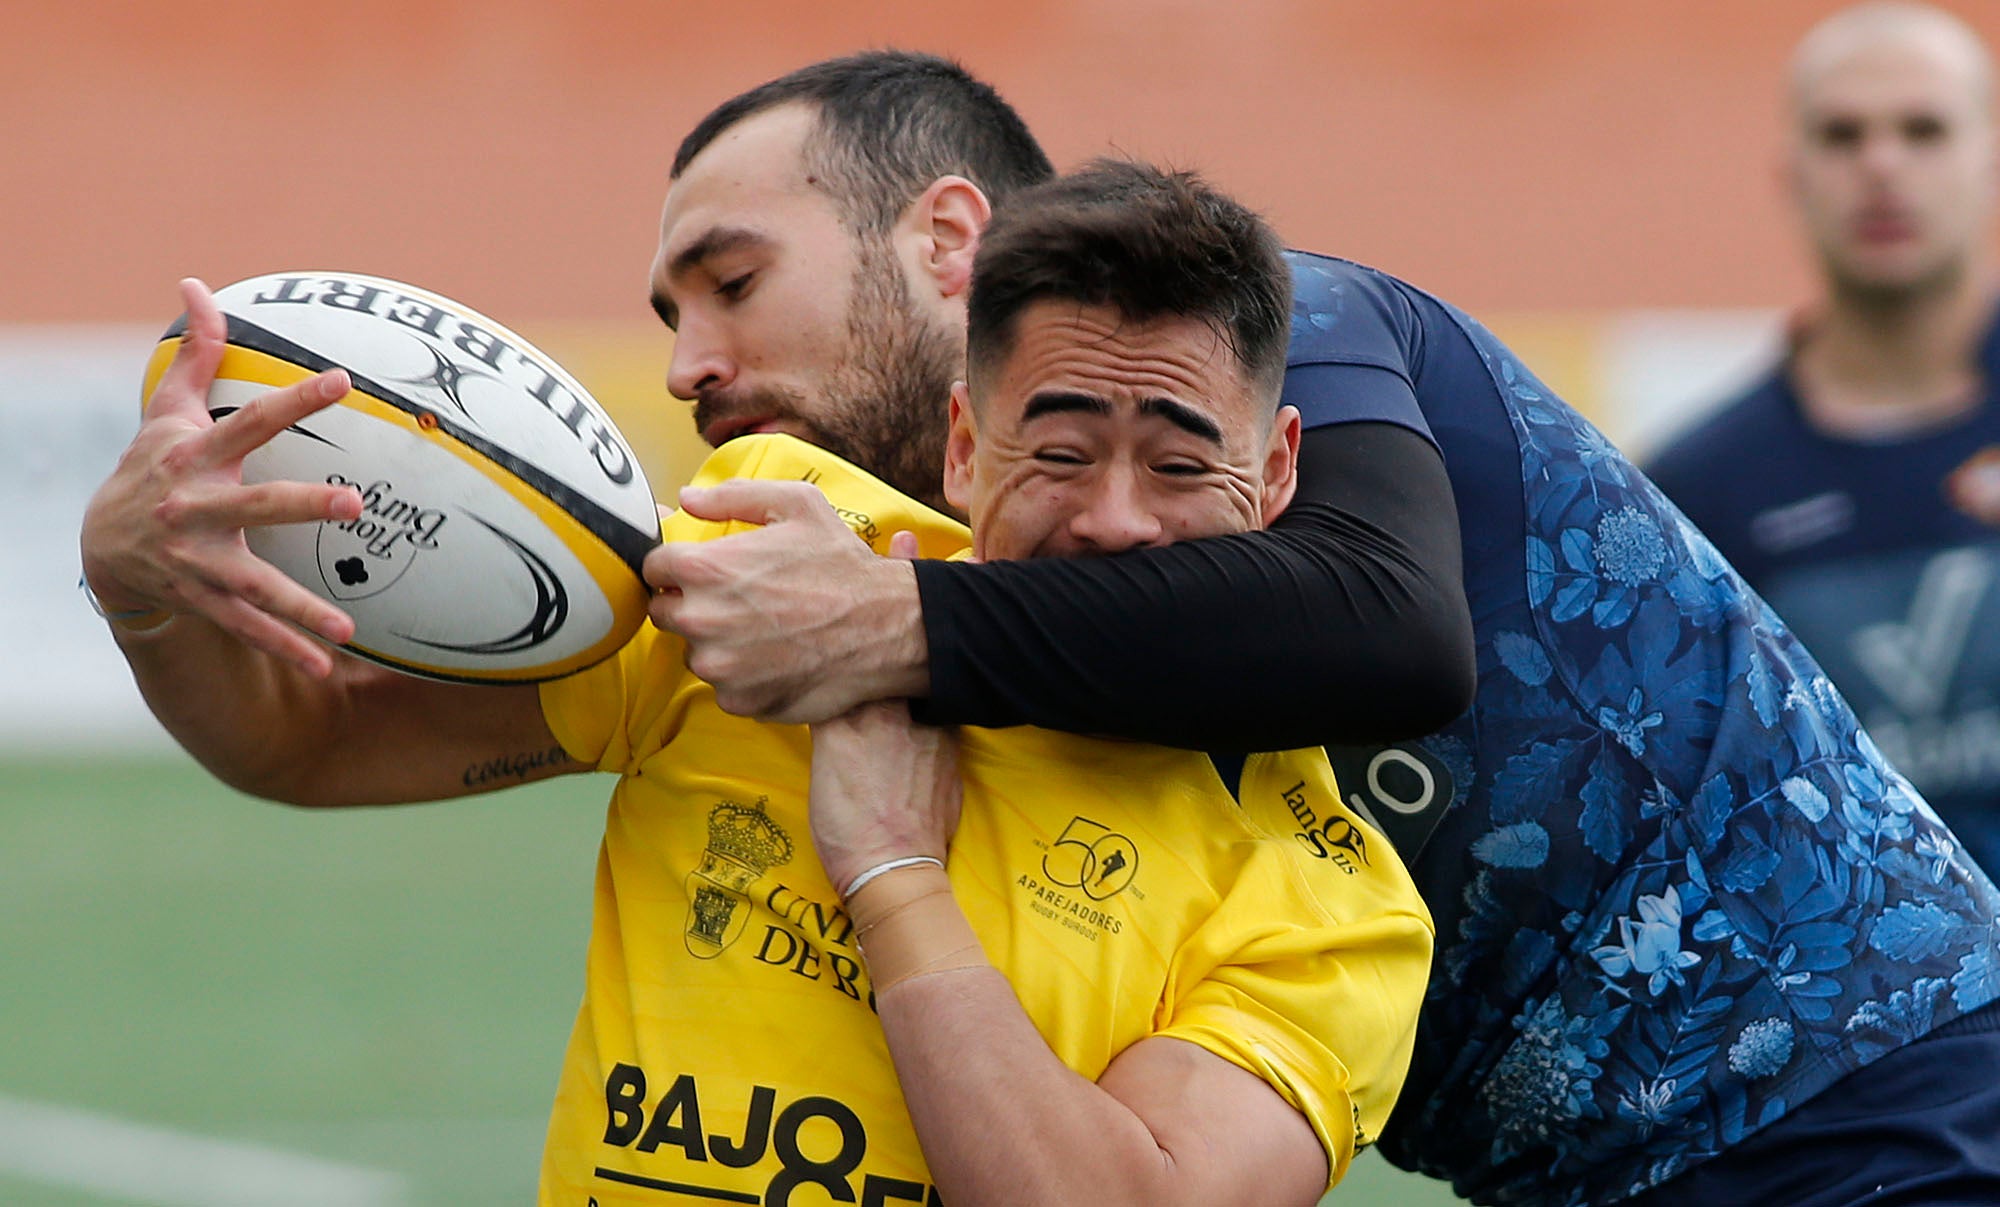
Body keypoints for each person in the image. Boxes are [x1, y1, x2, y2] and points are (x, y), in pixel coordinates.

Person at [81, 48, 2000, 1207]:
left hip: (1887, 1098)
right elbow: (318, 737)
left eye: (731, 281)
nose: (688, 364)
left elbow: (1385, 627)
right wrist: (150, 582)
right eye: (669, 313)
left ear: (948, 244)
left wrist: (899, 654)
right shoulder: (837, 573)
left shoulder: (1274, 314)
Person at [85, 156, 1433, 1203]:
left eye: (1184, 466)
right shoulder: (772, 559)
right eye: (1062, 450)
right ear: (963, 448)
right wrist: (150, 589)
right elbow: (314, 745)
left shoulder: (1329, 899)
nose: (1117, 519)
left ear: (1284, 474)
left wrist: (897, 876)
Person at [1649, 2, 2000, 880]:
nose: (1882, 165)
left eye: (1924, 129)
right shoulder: (1696, 493)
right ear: (1790, 171)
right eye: (1843, 135)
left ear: (1990, 158)